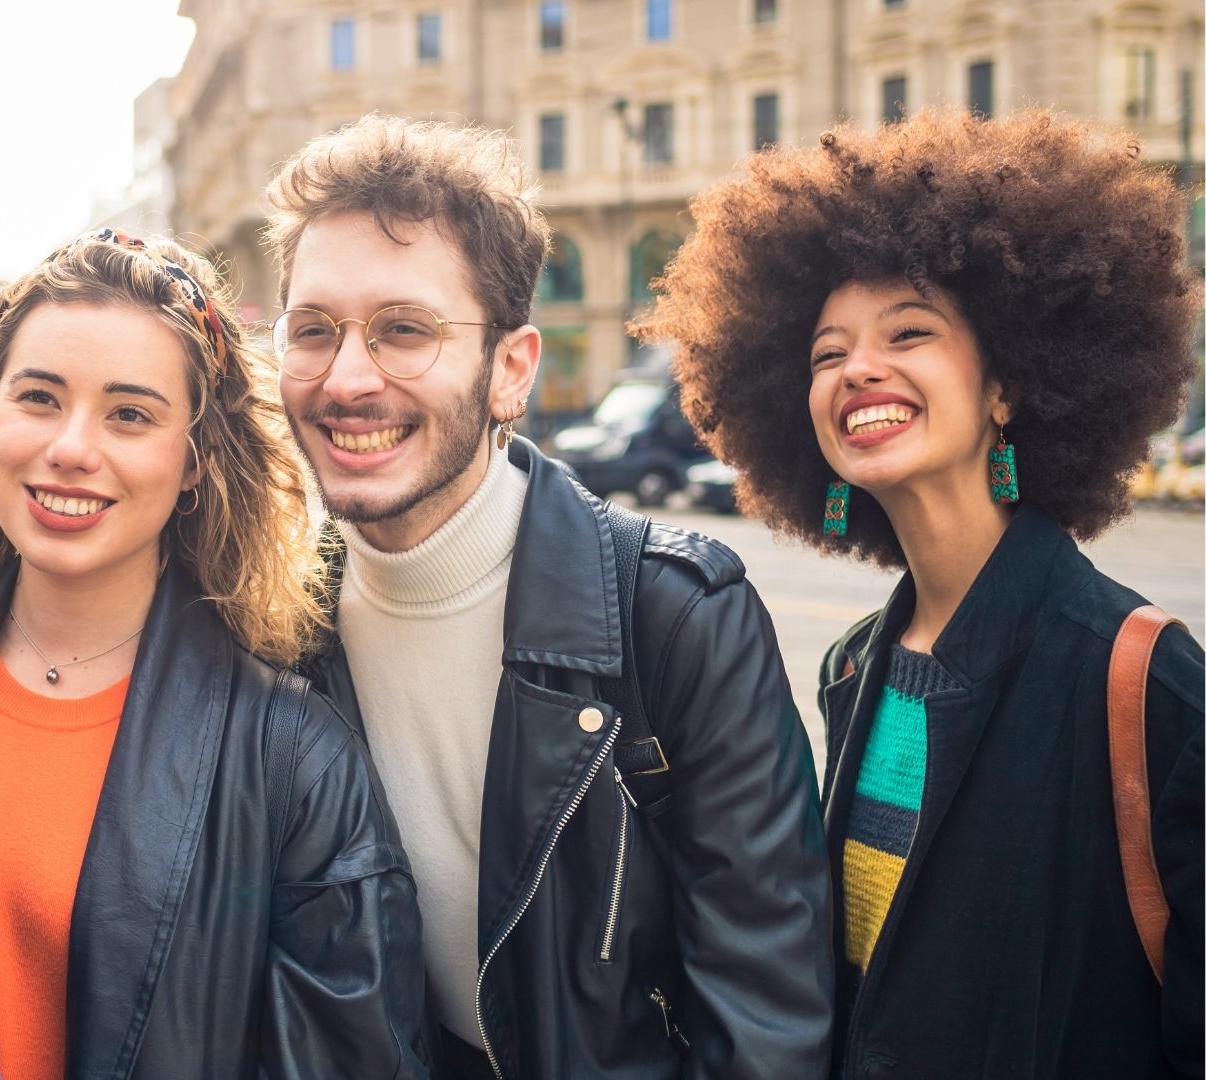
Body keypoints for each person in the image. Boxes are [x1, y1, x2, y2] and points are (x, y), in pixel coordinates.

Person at [638, 108, 1204, 1078]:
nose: (858, 368)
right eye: (825, 354)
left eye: (910, 331)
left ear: (1005, 388)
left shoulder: (1145, 680)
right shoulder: (854, 666)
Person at [264, 115, 833, 1078]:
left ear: (512, 370)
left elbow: (767, 1023)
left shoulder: (680, 616)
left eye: (405, 330)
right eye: (313, 330)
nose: (347, 378)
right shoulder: (276, 628)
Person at [0, 228, 429, 1078]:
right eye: (39, 397)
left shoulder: (294, 758)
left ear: (194, 461)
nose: (73, 447)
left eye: (129, 414)